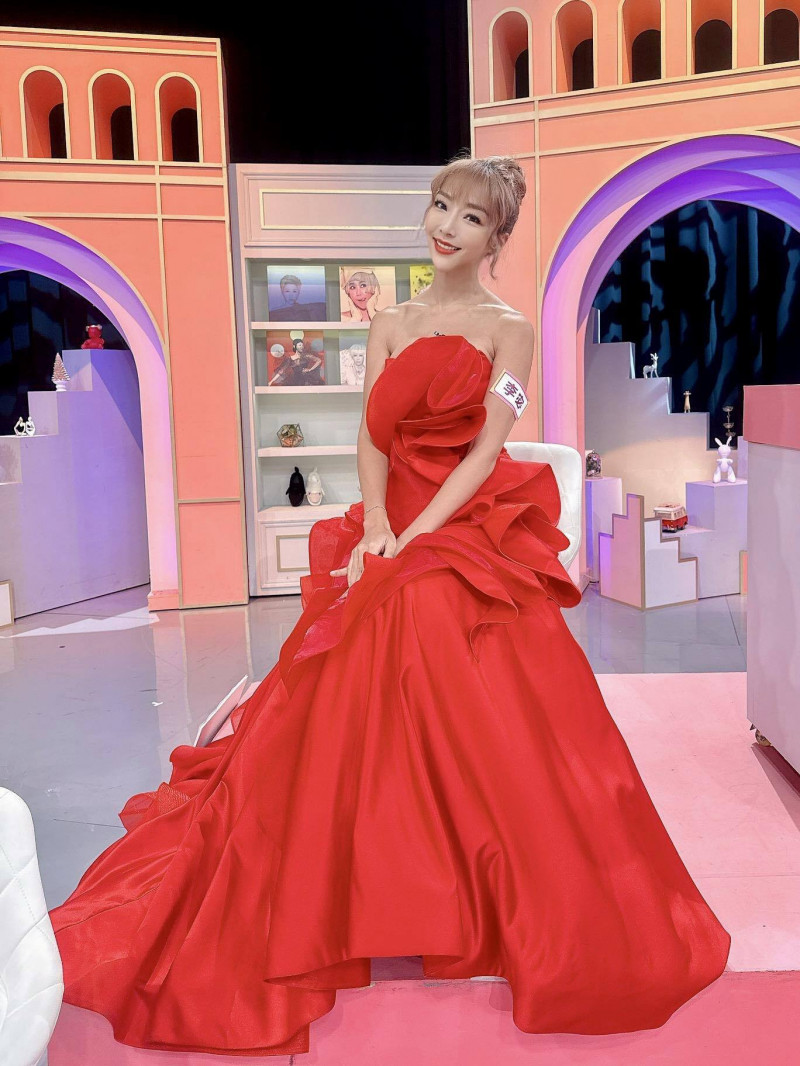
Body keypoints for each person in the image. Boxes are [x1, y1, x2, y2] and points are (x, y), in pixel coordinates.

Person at [48, 153, 731, 1057]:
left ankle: (463, 881)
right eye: (441, 206)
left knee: (448, 631)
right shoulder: (392, 322)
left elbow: (487, 450)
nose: (446, 226)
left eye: (471, 217)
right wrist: (376, 522)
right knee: (348, 667)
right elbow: (372, 432)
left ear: (497, 236)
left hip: (464, 519)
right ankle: (368, 875)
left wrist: (421, 535)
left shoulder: (512, 330)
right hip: (389, 517)